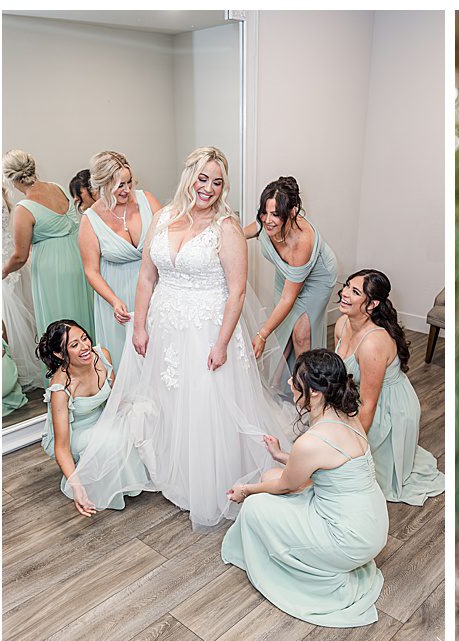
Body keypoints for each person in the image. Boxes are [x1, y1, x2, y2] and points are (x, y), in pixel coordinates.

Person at [65, 147, 295, 530]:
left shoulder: (227, 227)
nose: (208, 188)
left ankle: (211, 479)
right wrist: (140, 325)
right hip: (165, 325)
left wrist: (221, 343)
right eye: (202, 178)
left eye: (217, 182)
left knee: (206, 403)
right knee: (170, 399)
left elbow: (237, 291)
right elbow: (147, 277)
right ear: (189, 176)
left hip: (208, 328)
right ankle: (177, 468)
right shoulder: (164, 217)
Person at [222, 349, 388, 627]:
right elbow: (326, 464)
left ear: (314, 393)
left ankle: (287, 569)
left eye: (296, 381)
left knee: (254, 506)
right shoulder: (349, 416)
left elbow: (287, 486)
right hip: (372, 524)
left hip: (348, 538)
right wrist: (280, 456)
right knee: (272, 472)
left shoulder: (313, 440)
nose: (289, 383)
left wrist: (245, 490)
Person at [334, 269, 445, 505]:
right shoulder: (342, 323)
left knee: (351, 471)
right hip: (358, 395)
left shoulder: (373, 343)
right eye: (346, 286)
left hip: (388, 407)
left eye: (355, 292)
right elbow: (340, 373)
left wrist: (352, 446)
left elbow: (369, 404)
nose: (344, 293)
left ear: (372, 304)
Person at [244, 176, 338, 395]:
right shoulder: (265, 221)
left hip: (317, 279)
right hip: (287, 275)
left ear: (292, 212)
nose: (267, 220)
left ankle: (305, 392)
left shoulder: (301, 243)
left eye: (276, 214)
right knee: (285, 326)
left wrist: (261, 334)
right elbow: (238, 234)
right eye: (264, 212)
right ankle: (277, 384)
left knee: (301, 334)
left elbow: (289, 299)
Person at [78, 151, 162, 370]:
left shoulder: (148, 200)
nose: (127, 190)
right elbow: (91, 271)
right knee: (127, 361)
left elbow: (169, 240)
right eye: (119, 185)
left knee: (160, 354)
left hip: (155, 287)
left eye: (129, 182)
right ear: (102, 185)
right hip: (117, 295)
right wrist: (114, 301)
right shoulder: (90, 221)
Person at [2, 149, 96, 341]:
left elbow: (19, 257)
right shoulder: (57, 187)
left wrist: (2, 271)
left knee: (59, 322)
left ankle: (63, 367)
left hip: (52, 270)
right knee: (81, 315)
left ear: (13, 179)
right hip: (77, 259)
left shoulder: (24, 208)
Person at [36, 320, 113, 517]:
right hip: (72, 433)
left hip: (99, 416)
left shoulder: (102, 356)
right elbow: (61, 446)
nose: (85, 346)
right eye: (74, 345)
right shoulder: (61, 388)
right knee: (110, 440)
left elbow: (116, 399)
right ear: (60, 354)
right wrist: (77, 488)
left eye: (84, 338)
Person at [1, 185, 43, 388]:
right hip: (9, 257)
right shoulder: (2, 193)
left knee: (9, 316)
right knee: (17, 314)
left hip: (6, 262)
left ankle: (9, 372)